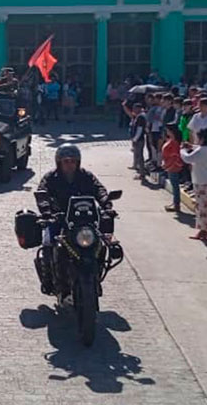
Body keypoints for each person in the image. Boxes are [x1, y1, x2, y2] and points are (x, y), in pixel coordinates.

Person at [34, 144, 111, 295]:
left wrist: (106, 203)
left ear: (78, 162)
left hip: (83, 220)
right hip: (59, 218)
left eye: (73, 161)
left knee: (100, 244)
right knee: (48, 244)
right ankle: (48, 280)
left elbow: (99, 189)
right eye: (66, 161)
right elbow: (42, 193)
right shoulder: (51, 178)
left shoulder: (86, 176)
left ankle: (96, 276)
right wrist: (46, 211)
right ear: (59, 162)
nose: (70, 164)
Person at [181, 129, 207, 240]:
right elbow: (197, 149)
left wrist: (183, 150)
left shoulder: (203, 150)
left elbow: (188, 158)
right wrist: (191, 146)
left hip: (202, 181)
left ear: (202, 139)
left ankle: (203, 230)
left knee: (202, 207)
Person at [161, 123, 185, 213]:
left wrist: (168, 165)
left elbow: (174, 157)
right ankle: (175, 203)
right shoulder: (171, 140)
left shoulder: (174, 143)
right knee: (174, 185)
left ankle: (176, 204)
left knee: (175, 186)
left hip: (173, 166)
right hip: (170, 165)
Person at [127, 102, 148, 181]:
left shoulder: (140, 117)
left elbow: (140, 129)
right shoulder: (137, 117)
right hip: (137, 139)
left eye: (135, 108)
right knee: (138, 156)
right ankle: (141, 173)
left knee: (140, 157)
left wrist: (135, 139)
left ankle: (142, 174)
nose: (134, 110)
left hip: (139, 140)